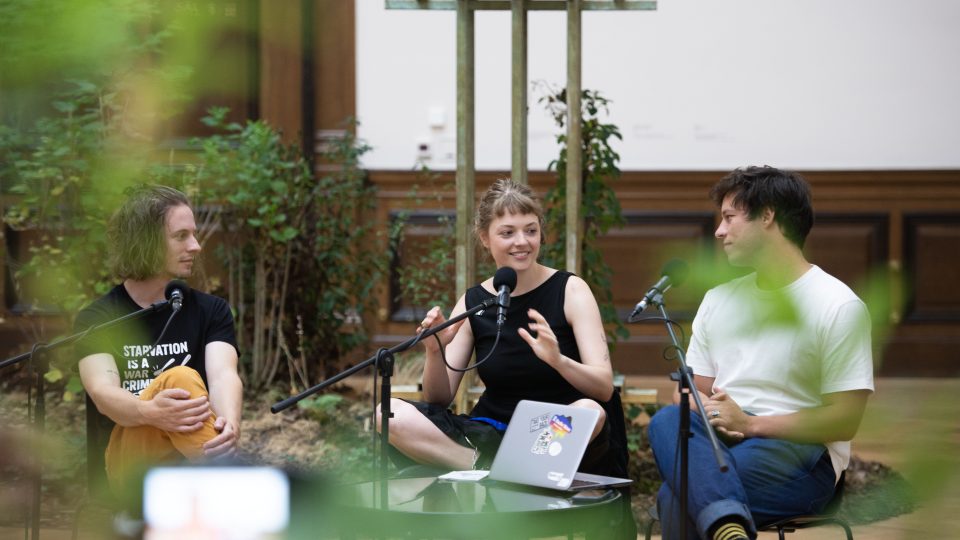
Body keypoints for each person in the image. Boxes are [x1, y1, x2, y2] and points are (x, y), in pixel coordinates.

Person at [647, 166, 875, 540]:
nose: (719, 231)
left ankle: (721, 517)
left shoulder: (837, 305)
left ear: (768, 215)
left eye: (729, 217)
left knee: (677, 497)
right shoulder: (719, 299)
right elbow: (690, 390)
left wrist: (749, 424)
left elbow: (845, 420)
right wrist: (716, 414)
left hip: (797, 452)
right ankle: (726, 524)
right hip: (722, 437)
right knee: (666, 421)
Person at [379, 178, 627, 478]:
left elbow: (603, 387)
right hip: (490, 433)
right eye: (508, 233)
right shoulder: (475, 300)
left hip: (556, 435)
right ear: (485, 238)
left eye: (531, 231)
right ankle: (497, 471)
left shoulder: (571, 290)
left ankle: (512, 471)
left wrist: (558, 360)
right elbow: (438, 399)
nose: (522, 242)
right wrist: (435, 350)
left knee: (589, 411)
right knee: (388, 414)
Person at [76, 185, 242, 493]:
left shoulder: (211, 310)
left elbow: (222, 376)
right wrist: (151, 412)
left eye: (193, 234)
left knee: (181, 380)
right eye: (181, 236)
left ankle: (217, 474)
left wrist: (228, 424)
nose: (196, 246)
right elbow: (102, 392)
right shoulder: (97, 319)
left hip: (190, 456)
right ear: (146, 242)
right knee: (178, 376)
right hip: (130, 466)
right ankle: (228, 487)